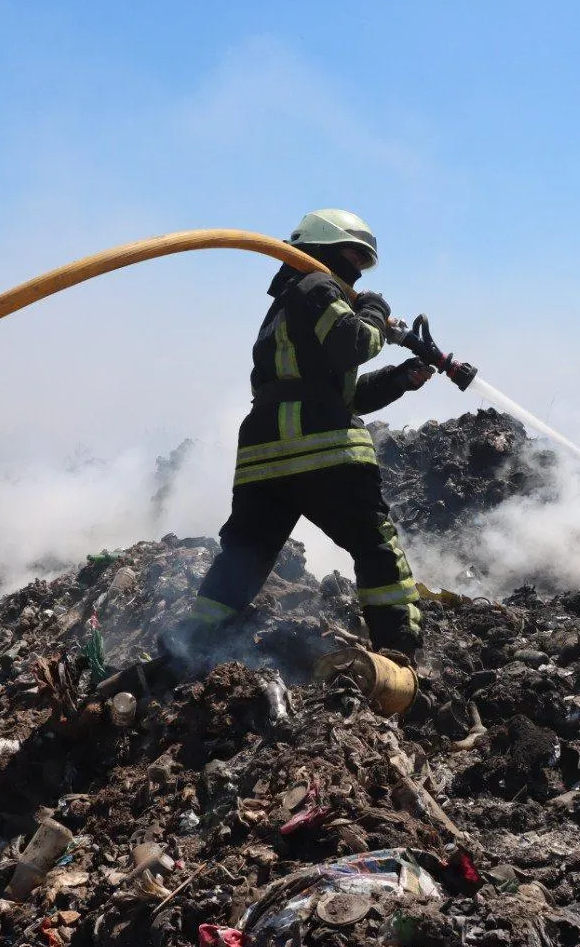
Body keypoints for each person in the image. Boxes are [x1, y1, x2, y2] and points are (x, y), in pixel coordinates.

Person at [182, 209, 434, 660]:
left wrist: (399, 378)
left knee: (244, 557)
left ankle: (187, 650)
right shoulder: (318, 287)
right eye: (352, 256)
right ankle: (399, 654)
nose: (356, 269)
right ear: (320, 250)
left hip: (264, 459)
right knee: (377, 547)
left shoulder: (284, 307)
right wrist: (375, 309)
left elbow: (332, 394)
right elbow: (355, 343)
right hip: (325, 454)